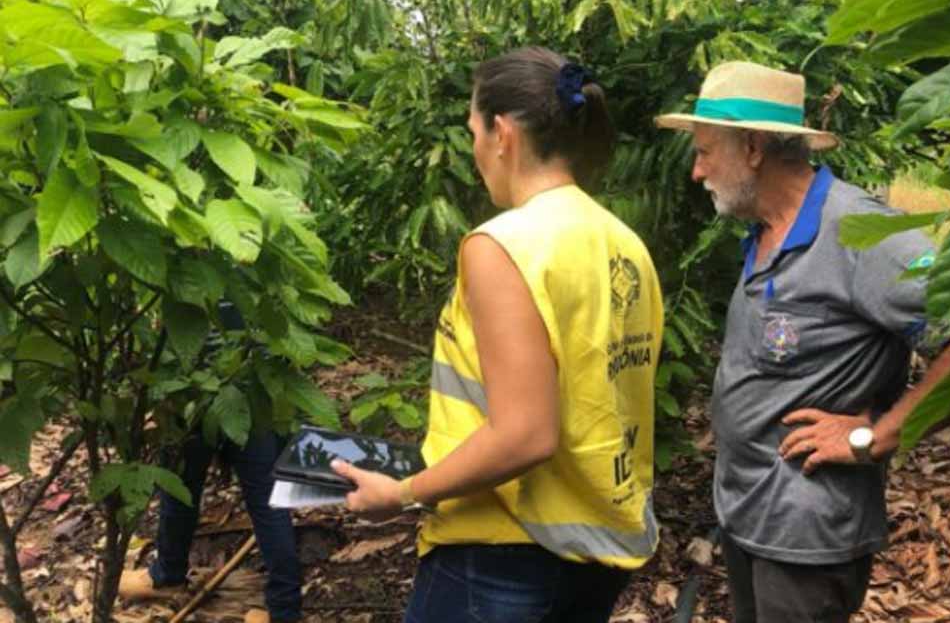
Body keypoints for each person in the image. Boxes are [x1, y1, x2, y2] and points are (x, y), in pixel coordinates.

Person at [331, 47, 663, 622]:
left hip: (502, 556)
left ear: (502, 133)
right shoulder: (623, 243)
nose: (475, 149)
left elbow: (526, 434)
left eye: (473, 131)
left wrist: (403, 494)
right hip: (595, 553)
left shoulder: (504, 245)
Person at [655, 61, 950, 622]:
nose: (697, 172)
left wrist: (878, 434)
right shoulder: (767, 226)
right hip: (750, 518)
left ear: (751, 148)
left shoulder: (857, 233)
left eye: (704, 152)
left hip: (807, 537)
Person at [118, 304, 302, 623]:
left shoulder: (204, 261)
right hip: (222, 383)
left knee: (259, 498)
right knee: (184, 486)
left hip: (222, 382)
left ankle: (283, 609)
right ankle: (168, 573)